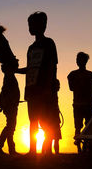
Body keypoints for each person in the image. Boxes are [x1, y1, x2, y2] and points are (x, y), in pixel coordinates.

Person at [17, 11, 61, 155]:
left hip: (45, 89)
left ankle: (47, 150)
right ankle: (32, 150)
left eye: (32, 24)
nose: (29, 27)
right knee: (33, 121)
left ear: (42, 25)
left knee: (48, 122)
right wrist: (15, 70)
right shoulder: (31, 48)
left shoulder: (49, 43)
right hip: (31, 89)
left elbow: (52, 66)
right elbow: (30, 69)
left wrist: (49, 87)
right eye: (29, 24)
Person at [67, 52, 92, 153]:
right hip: (80, 104)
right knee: (79, 127)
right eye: (78, 59)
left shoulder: (87, 74)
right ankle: (80, 148)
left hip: (85, 104)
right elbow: (72, 88)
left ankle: (84, 147)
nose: (78, 61)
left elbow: (91, 90)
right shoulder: (73, 75)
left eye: (80, 59)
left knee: (85, 126)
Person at [0, 61, 20, 156]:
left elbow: (4, 92)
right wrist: (5, 104)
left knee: (10, 127)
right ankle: (3, 148)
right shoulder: (9, 77)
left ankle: (4, 148)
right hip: (10, 106)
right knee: (10, 127)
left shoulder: (8, 77)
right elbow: (4, 92)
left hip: (10, 105)